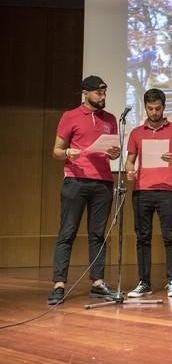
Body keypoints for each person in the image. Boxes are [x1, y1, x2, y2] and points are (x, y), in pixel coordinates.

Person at [47, 75, 121, 305]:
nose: (103, 96)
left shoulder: (110, 119)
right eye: (99, 93)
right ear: (85, 93)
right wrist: (68, 153)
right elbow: (56, 151)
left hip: (103, 182)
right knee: (67, 232)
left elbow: (114, 151)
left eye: (104, 92)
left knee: (97, 234)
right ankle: (59, 284)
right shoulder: (70, 116)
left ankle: (97, 282)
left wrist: (115, 154)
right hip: (76, 181)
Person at [125, 88, 172, 298]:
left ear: (164, 107)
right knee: (142, 238)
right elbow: (130, 160)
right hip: (142, 190)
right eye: (150, 108)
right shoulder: (136, 132)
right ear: (145, 107)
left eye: (158, 108)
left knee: (170, 236)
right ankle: (144, 282)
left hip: (168, 190)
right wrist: (129, 170)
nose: (154, 112)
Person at [127, 31, 172, 147]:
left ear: (169, 41)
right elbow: (135, 62)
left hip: (170, 97)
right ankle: (148, 146)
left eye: (162, 39)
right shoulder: (150, 55)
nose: (159, 41)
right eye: (158, 39)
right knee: (149, 118)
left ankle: (169, 147)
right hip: (152, 95)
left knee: (170, 122)